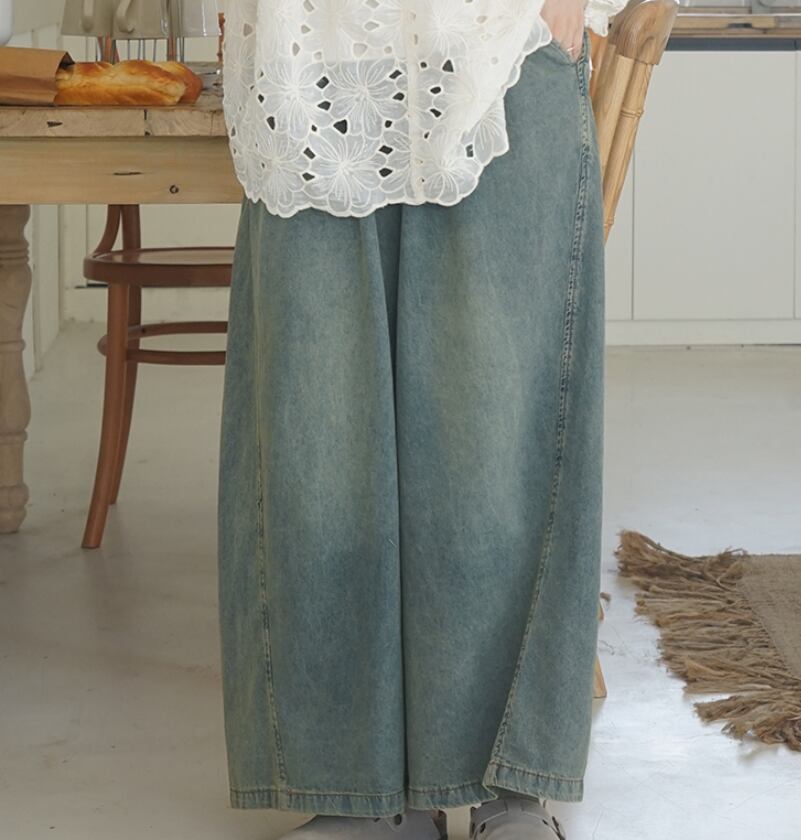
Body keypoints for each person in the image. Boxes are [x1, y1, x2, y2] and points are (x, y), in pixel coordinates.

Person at [216, 1, 627, 838]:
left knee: (496, 451)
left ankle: (511, 785)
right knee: (318, 450)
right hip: (307, 56)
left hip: (500, 43)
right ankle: (350, 789)